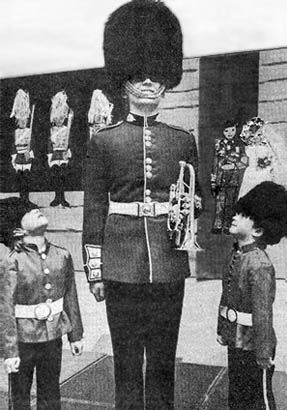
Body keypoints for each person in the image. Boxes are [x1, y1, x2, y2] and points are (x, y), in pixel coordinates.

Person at [82, 1, 202, 409]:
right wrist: (95, 269)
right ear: (124, 80)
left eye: (156, 74)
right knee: (127, 360)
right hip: (120, 261)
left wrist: (190, 205)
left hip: (169, 260)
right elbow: (95, 207)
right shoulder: (104, 141)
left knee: (164, 360)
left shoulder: (182, 139)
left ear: (167, 81)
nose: (149, 81)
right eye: (138, 74)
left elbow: (194, 201)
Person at [2, 197, 84, 410]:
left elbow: (70, 297)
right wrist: (9, 352)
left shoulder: (62, 255)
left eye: (36, 207)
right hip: (22, 339)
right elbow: (6, 308)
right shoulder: (11, 260)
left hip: (53, 336)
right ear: (16, 228)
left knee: (51, 391)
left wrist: (75, 335)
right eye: (28, 211)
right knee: (20, 395)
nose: (37, 210)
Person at [216, 181, 287, 410]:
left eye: (243, 214)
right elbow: (226, 296)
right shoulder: (237, 254)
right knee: (238, 393)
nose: (234, 217)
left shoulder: (259, 264)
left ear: (258, 230)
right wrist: (222, 329)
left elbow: (263, 313)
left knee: (259, 398)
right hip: (236, 338)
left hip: (255, 342)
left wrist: (264, 351)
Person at [211, 119, 248, 234]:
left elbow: (245, 161)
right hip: (221, 179)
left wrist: (233, 165)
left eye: (232, 130)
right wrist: (213, 181)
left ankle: (227, 226)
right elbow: (215, 163)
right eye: (226, 131)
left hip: (234, 179)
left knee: (231, 204)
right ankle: (217, 225)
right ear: (222, 132)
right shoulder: (219, 144)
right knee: (220, 203)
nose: (230, 133)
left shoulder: (240, 145)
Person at [48, 90, 73, 207]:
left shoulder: (66, 129)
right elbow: (49, 143)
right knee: (55, 177)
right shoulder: (52, 130)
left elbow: (70, 142)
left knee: (63, 177)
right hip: (54, 155)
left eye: (61, 118)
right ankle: (56, 197)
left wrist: (68, 153)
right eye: (57, 118)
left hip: (63, 154)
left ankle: (63, 198)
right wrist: (49, 155)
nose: (59, 120)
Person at [10, 89, 36, 204]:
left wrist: (30, 153)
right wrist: (14, 157)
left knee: (27, 180)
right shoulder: (15, 132)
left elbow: (33, 143)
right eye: (21, 121)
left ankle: (27, 199)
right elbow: (12, 146)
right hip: (18, 157)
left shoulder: (29, 131)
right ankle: (21, 199)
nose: (23, 122)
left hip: (26, 157)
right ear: (17, 121)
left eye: (25, 120)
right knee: (20, 180)